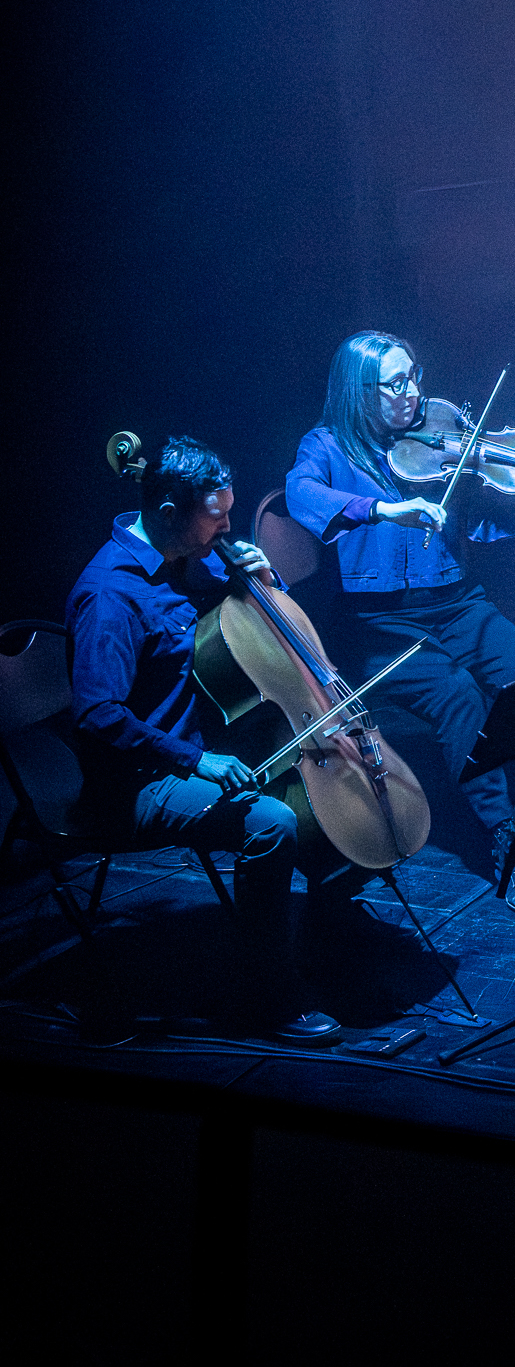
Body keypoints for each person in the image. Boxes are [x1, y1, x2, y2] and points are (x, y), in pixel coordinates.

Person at [287, 332, 515, 908]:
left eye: (414, 376)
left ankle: (514, 802)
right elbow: (301, 494)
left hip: (457, 602)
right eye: (395, 383)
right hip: (378, 621)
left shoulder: (438, 440)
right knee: (457, 693)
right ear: (359, 391)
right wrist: (382, 509)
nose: (412, 392)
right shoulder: (327, 446)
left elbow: (485, 518)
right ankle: (504, 838)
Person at [67, 435, 338, 1043]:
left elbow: (254, 616)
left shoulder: (189, 558)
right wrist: (197, 761)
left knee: (313, 786)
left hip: (194, 745)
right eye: (215, 516)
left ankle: (317, 933)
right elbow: (97, 716)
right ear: (169, 511)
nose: (227, 527)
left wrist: (263, 579)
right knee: (272, 822)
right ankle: (267, 994)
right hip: (135, 782)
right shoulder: (112, 594)